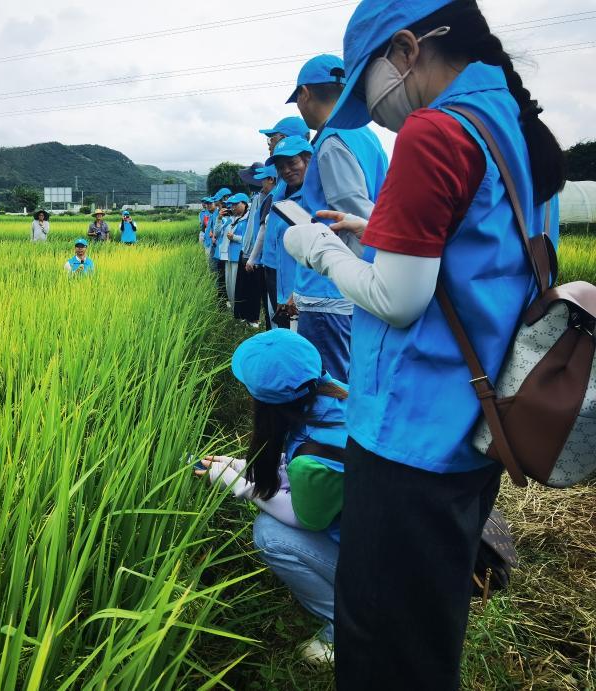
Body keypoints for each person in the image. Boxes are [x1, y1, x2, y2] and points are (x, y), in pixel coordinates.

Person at [282, 1, 566, 687]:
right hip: (477, 420)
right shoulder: (510, 123)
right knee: (426, 622)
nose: (376, 113)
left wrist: (318, 248)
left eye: (369, 85)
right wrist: (376, 228)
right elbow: (481, 252)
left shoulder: (434, 131)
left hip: (409, 432)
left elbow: (398, 298)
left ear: (407, 50)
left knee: (380, 633)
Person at [196, 329, 348, 664]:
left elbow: (304, 518)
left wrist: (238, 485)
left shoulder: (312, 461)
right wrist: (240, 466)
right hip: (392, 537)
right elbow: (297, 464)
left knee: (270, 533)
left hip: (380, 563)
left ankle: (346, 627)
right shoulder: (335, 394)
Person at [287, 53, 390, 381]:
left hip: (330, 290)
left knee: (329, 387)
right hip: (352, 286)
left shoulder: (332, 140)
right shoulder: (365, 134)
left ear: (304, 94)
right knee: (353, 378)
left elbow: (354, 215)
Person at [257, 118, 309, 328]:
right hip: (275, 265)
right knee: (279, 324)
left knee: (293, 329)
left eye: (272, 139)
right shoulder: (283, 185)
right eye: (281, 166)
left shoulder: (311, 191)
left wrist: (296, 290)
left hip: (295, 278)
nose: (269, 144)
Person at [265, 136, 315, 330]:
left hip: (304, 294)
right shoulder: (284, 196)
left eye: (292, 163)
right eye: (280, 167)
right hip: (286, 291)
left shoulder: (315, 199)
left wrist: (296, 292)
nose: (286, 170)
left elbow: (316, 250)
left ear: (308, 159)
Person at [235, 164, 269, 326]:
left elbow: (261, 229)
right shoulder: (256, 197)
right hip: (249, 252)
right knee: (249, 289)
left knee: (258, 292)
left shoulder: (266, 198)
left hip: (258, 256)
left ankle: (255, 319)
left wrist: (253, 255)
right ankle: (249, 317)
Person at [246, 165, 279, 327]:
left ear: (271, 179)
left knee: (273, 307)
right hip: (273, 259)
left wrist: (252, 258)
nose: (261, 185)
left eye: (263, 181)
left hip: (271, 260)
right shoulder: (279, 195)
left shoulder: (272, 197)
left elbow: (263, 230)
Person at [223, 193, 251, 313]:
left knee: (236, 285)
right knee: (229, 284)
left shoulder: (248, 220)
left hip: (239, 257)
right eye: (231, 205)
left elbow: (250, 240)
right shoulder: (232, 219)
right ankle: (233, 309)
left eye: (236, 204)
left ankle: (239, 310)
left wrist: (234, 237)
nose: (233, 207)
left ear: (244, 204)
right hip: (229, 255)